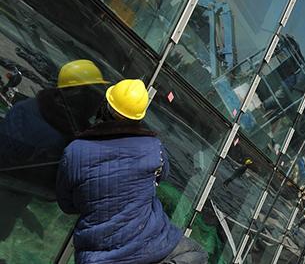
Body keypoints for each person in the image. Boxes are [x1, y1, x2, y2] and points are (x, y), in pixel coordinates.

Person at [56, 79, 208, 264]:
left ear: (105, 107)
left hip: (97, 255)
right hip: (151, 242)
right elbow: (162, 176)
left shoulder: (74, 151)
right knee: (197, 254)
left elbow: (67, 204)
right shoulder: (154, 147)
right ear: (139, 117)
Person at [0, 59, 108, 242]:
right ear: (78, 93)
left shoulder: (26, 107)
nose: (97, 101)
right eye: (95, 93)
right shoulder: (67, 139)